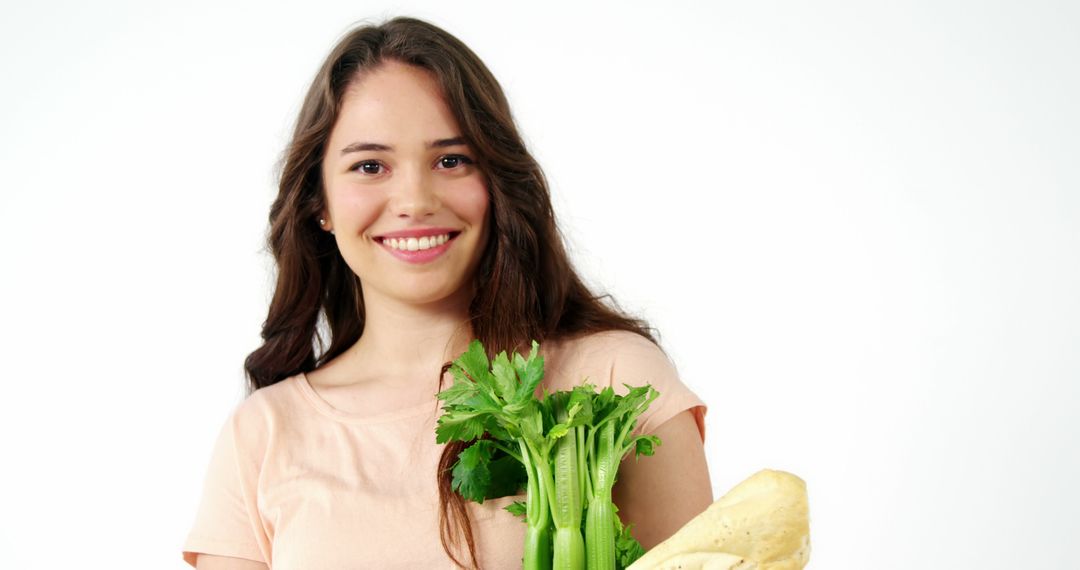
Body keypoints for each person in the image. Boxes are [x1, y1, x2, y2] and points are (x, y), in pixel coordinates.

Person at [181, 16, 712, 570]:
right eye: (369, 166)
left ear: (498, 182)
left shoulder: (614, 379)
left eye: (451, 160)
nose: (414, 199)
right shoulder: (263, 433)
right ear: (320, 204)